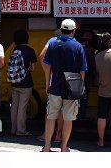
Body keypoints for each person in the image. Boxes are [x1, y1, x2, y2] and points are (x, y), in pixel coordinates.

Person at [41, 19, 87, 152]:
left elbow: (47, 66)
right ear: (74, 31)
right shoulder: (78, 47)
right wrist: (80, 87)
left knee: (50, 117)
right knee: (68, 118)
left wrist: (47, 83)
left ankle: (47, 146)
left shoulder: (53, 43)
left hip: (55, 86)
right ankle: (64, 147)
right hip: (71, 88)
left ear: (61, 30)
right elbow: (82, 70)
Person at [37, 30, 63, 144]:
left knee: (50, 109)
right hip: (68, 80)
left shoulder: (52, 41)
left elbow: (42, 55)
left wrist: (48, 71)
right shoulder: (73, 42)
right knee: (63, 110)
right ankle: (58, 135)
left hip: (54, 79)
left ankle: (45, 135)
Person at [10, 29, 37, 136]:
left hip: (14, 82)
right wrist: (28, 67)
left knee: (14, 106)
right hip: (26, 82)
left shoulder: (14, 50)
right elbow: (33, 68)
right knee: (22, 107)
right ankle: (21, 130)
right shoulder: (30, 50)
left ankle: (13, 128)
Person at [77, 30, 96, 121]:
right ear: (88, 41)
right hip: (87, 77)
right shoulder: (89, 51)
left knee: (76, 97)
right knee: (84, 98)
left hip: (75, 77)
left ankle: (74, 115)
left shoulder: (76, 48)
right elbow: (93, 64)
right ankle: (82, 117)